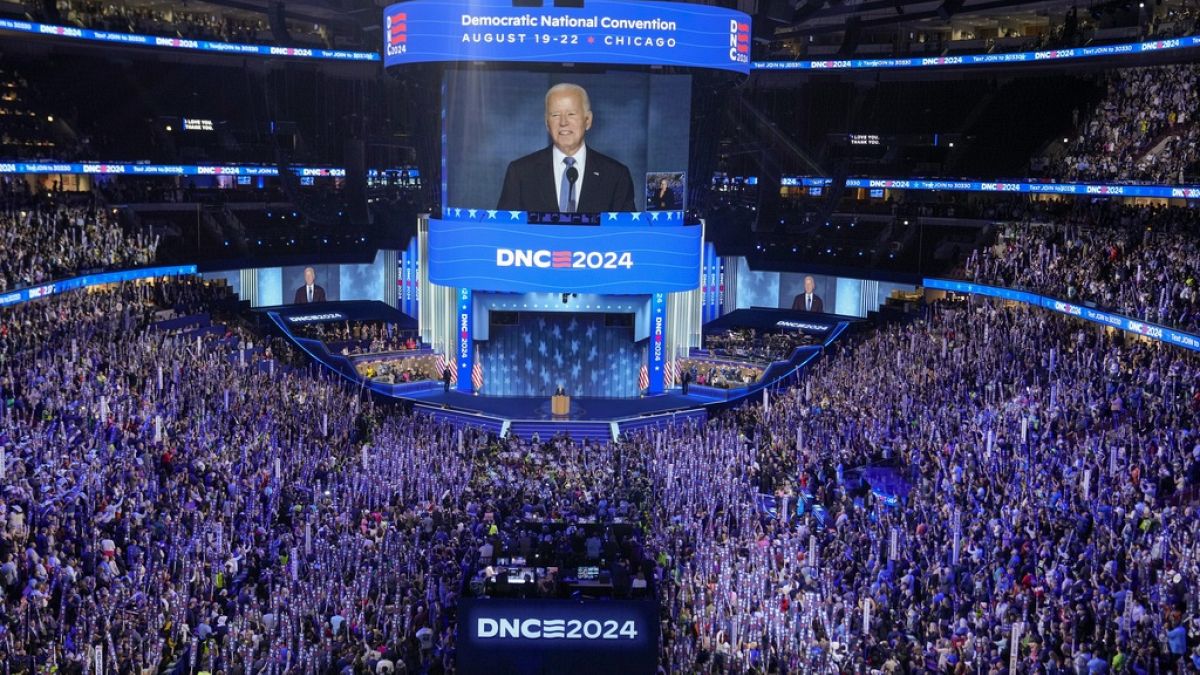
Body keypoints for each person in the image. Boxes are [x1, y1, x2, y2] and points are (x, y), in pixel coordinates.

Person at [497, 83, 636, 213]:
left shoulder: (616, 175)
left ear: (588, 120)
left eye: (571, 114)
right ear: (547, 124)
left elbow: (626, 233)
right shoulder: (521, 172)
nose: (563, 122)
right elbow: (505, 231)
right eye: (555, 115)